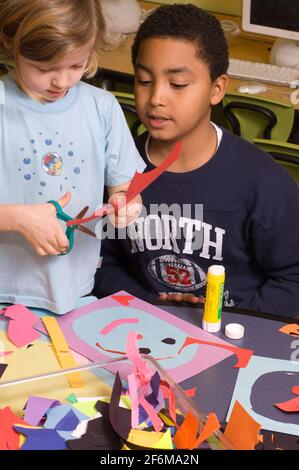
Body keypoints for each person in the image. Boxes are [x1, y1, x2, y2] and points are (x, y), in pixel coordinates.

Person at [94, 4, 299, 317]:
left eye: (177, 84)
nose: (156, 98)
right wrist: (150, 304)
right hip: (144, 328)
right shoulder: (115, 173)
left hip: (236, 334)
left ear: (216, 89)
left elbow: (293, 280)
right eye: (144, 80)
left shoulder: (263, 183)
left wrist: (223, 318)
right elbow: (101, 263)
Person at [0, 0, 145, 314]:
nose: (62, 82)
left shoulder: (102, 108)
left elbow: (126, 189)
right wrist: (19, 218)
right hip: (4, 292)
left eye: (76, 65)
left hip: (75, 292)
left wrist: (126, 204)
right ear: (11, 45)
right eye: (44, 68)